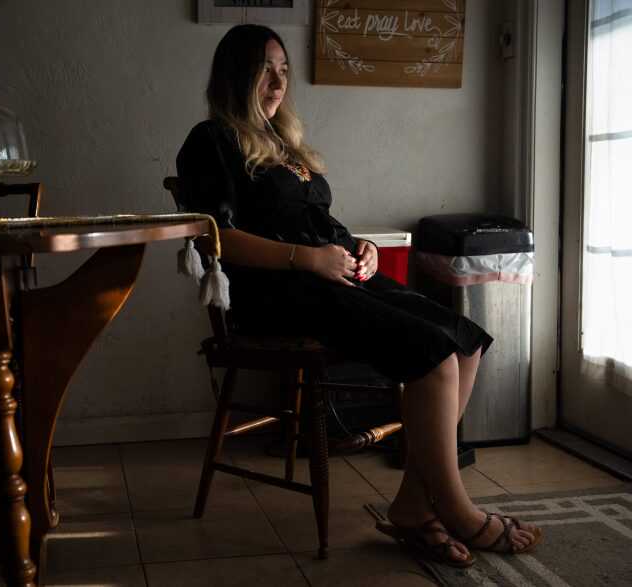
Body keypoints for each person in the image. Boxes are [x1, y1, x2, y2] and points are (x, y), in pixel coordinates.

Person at [176, 24, 542, 567]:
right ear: (236, 75)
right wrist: (307, 259)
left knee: (465, 341)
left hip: (330, 277)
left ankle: (413, 504)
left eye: (283, 70)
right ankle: (456, 509)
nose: (278, 82)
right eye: (264, 69)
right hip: (276, 294)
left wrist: (360, 248)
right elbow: (215, 237)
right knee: (433, 356)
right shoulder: (212, 140)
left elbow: (320, 224)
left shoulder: (282, 144)